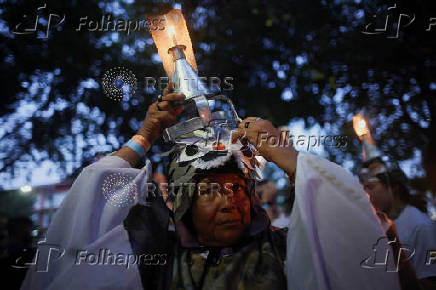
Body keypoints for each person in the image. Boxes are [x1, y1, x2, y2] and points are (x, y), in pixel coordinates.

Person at [22, 83, 401, 290]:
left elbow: (352, 234)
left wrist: (287, 157)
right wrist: (145, 136)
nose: (229, 202)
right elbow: (87, 208)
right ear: (184, 202)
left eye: (238, 188)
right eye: (209, 191)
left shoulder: (290, 248)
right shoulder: (151, 259)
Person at [360, 159, 436, 289]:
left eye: (370, 187)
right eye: (363, 188)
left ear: (394, 188)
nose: (366, 194)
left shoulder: (421, 226)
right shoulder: (380, 225)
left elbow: (431, 283)